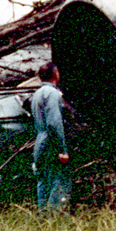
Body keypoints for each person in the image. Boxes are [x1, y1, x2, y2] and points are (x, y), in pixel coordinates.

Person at [31, 62, 71, 211]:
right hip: (50, 143)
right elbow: (54, 123)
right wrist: (62, 149)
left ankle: (43, 220)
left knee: (43, 182)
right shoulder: (52, 93)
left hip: (39, 141)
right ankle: (56, 219)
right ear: (55, 74)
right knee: (58, 181)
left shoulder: (37, 94)